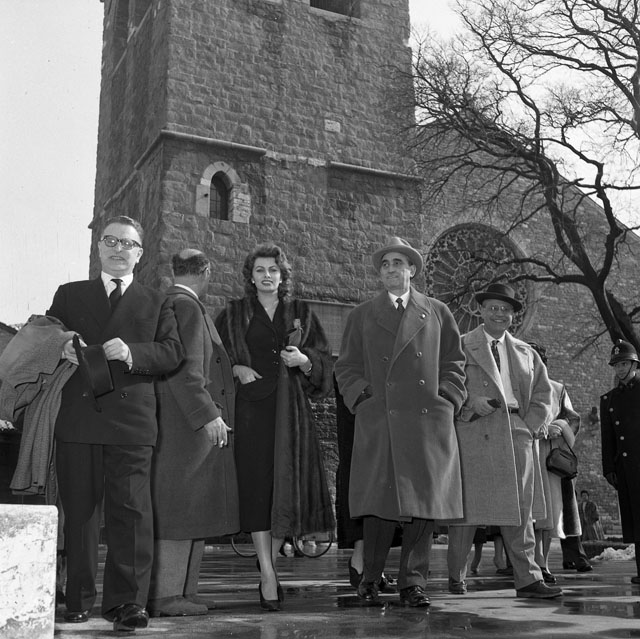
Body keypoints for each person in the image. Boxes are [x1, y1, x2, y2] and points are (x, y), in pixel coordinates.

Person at [48, 215, 183, 631]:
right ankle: (77, 598)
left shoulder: (157, 301)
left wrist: (132, 353)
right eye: (110, 241)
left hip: (132, 422)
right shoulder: (69, 294)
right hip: (79, 418)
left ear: (140, 253)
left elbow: (172, 353)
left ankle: (128, 603)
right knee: (80, 512)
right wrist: (61, 346)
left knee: (132, 513)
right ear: (99, 248)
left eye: (127, 243)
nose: (118, 249)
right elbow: (46, 334)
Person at [335, 236, 466, 607]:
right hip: (381, 419)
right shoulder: (361, 315)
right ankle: (371, 578)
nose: (391, 269)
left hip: (426, 421)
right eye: (385, 264)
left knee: (423, 505)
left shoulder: (438, 312)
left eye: (398, 263)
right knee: (379, 503)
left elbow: (454, 363)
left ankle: (413, 583)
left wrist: (448, 399)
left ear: (412, 269)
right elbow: (346, 367)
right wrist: (363, 398)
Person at [215, 243, 335, 611]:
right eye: (260, 270)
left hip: (290, 413)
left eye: (273, 270)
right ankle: (267, 574)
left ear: (283, 276)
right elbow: (214, 358)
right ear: (250, 277)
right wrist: (235, 368)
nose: (266, 276)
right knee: (257, 490)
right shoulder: (233, 314)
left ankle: (270, 561)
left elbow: (324, 362)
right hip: (250, 412)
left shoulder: (301, 312)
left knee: (286, 488)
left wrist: (305, 360)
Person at [446, 282, 562, 599]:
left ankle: (528, 579)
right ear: (481, 310)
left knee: (520, 510)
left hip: (516, 431)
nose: (499, 314)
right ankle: (456, 575)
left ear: (513, 315)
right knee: (467, 509)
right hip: (474, 430)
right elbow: (447, 385)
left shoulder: (527, 353)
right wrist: (470, 402)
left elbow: (544, 395)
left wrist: (529, 426)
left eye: (506, 309)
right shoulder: (460, 345)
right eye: (493, 308)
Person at [148, 249, 239, 617]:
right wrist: (208, 415)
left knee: (194, 508)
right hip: (187, 424)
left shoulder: (172, 302)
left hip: (180, 421)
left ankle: (185, 591)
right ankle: (166, 596)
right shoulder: (186, 307)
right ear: (206, 272)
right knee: (181, 509)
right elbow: (186, 370)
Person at [528, 342, 588, 583]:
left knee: (547, 514)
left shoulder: (557, 389)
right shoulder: (516, 388)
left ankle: (542, 564)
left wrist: (559, 426)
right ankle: (523, 563)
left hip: (548, 458)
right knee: (525, 512)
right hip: (524, 452)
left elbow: (572, 419)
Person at [334, 375, 397, 592]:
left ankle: (372, 563)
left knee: (382, 471)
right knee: (360, 469)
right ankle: (361, 559)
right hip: (360, 387)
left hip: (382, 384)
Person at [600, 339, 640, 584]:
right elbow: (608, 438)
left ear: (634, 364)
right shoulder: (609, 400)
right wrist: (609, 468)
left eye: (624, 363)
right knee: (635, 521)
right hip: (626, 468)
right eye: (616, 365)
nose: (620, 369)